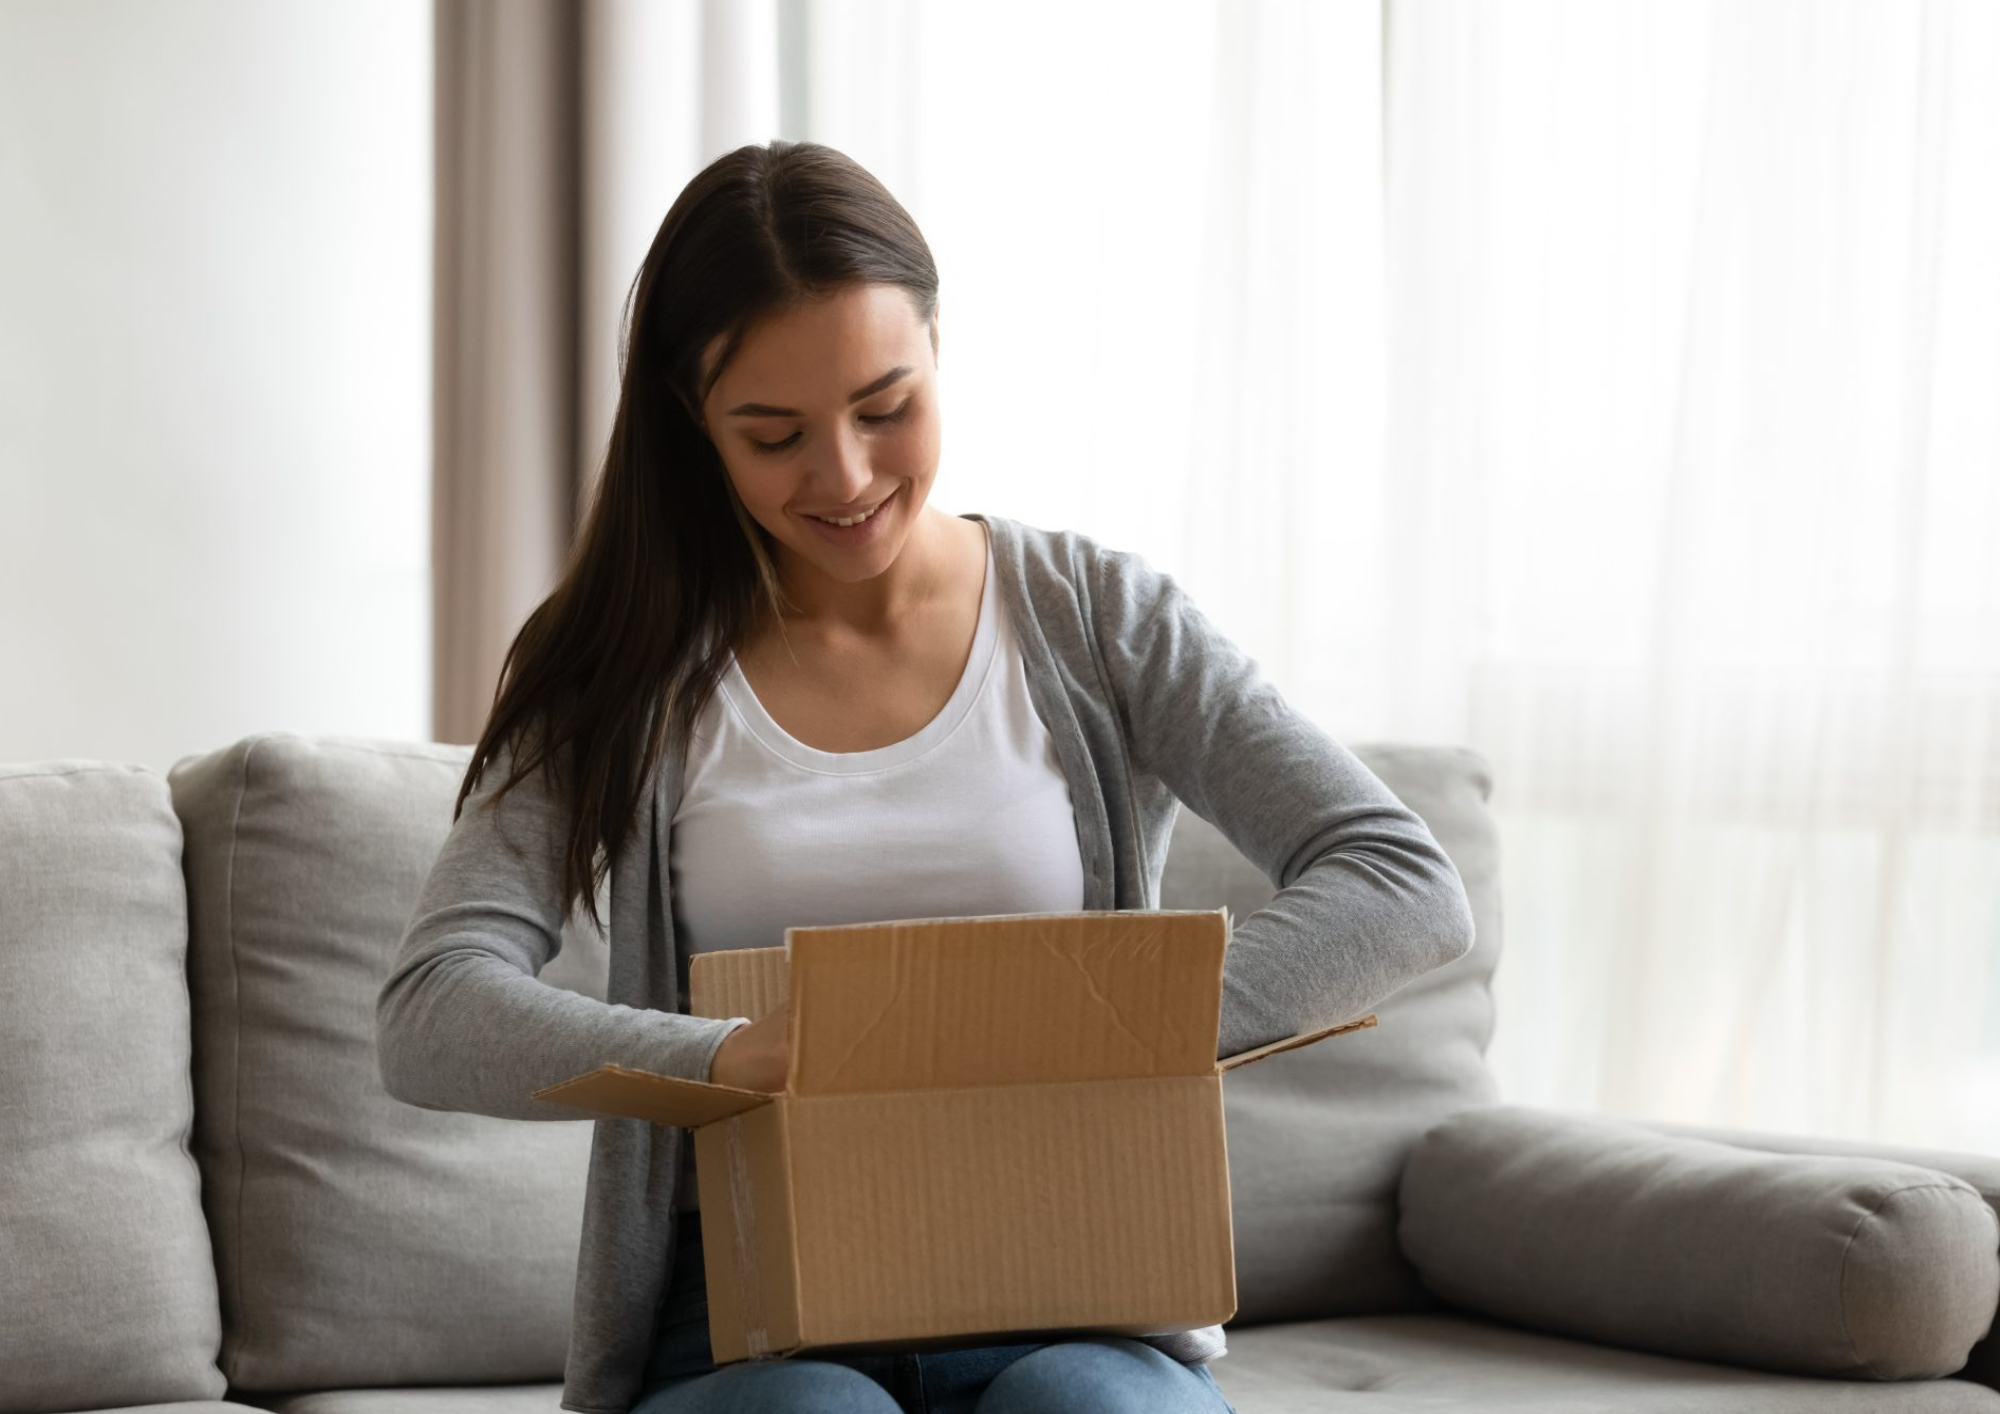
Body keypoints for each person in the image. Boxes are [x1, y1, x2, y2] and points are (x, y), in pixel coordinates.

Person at [376, 139, 1476, 1414]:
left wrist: (1114, 1022)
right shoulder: (618, 663)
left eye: (884, 407)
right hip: (741, 1324)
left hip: (1075, 1292)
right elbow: (429, 1015)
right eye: (773, 434)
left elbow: (1403, 885)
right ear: (694, 424)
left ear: (940, 351)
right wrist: (729, 1057)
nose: (843, 478)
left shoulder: (1097, 618)